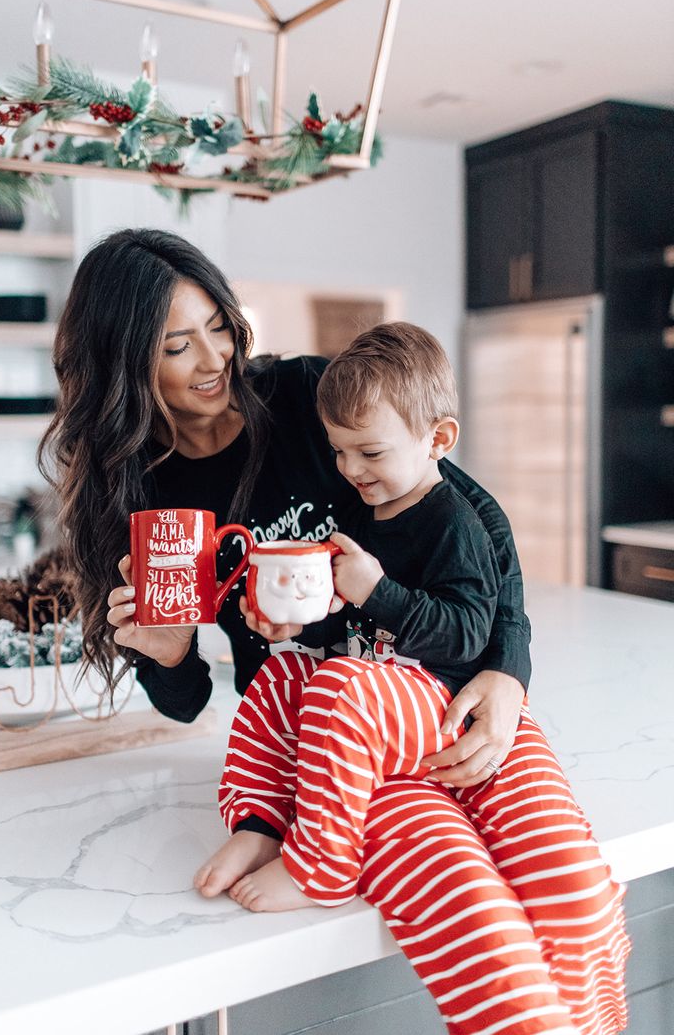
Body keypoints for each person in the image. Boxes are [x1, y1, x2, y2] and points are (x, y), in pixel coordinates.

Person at [40, 229, 621, 1034]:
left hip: (441, 692)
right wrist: (170, 655)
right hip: (327, 752)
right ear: (124, 363)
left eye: (219, 323)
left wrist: (510, 666)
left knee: (578, 894)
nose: (213, 357)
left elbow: (469, 511)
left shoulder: (309, 397)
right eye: (177, 343)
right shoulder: (136, 493)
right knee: (483, 931)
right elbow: (184, 702)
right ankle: (273, 831)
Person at [195, 323, 630, 1035]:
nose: (350, 467)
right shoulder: (360, 512)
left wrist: (375, 592)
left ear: (439, 439)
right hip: (380, 730)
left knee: (341, 686)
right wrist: (300, 629)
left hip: (439, 706)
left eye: (369, 451)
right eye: (338, 450)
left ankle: (320, 868)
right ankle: (260, 819)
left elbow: (464, 632)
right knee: (287, 678)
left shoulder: (454, 520)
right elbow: (350, 634)